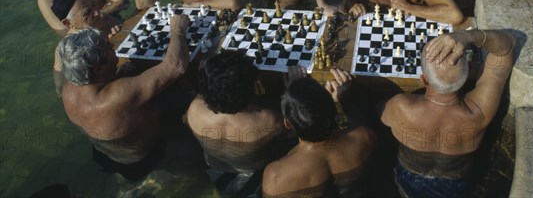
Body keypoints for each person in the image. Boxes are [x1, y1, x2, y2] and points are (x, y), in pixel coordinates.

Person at [381, 29, 516, 197]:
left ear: (423, 79)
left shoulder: (400, 106)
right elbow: (506, 48)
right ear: (468, 75)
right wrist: (467, 36)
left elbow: (382, 120)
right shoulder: (481, 112)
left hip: (409, 179)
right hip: (455, 186)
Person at [59, 14, 191, 181]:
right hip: (142, 158)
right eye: (108, 46)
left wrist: (119, 74)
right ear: (98, 69)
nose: (113, 45)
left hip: (105, 154)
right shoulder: (117, 95)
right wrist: (177, 30)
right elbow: (176, 66)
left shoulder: (68, 87)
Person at [186, 51, 289, 195]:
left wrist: (206, 77)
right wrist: (292, 90)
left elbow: (203, 97)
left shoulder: (194, 109)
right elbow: (295, 131)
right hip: (255, 175)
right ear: (250, 87)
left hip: (214, 171)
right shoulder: (267, 119)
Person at [262, 68, 376, 197]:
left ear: (287, 123)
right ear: (333, 112)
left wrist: (293, 92)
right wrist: (341, 101)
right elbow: (356, 119)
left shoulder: (276, 176)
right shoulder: (364, 137)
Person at [51, 0, 121, 95]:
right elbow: (61, 89)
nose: (97, 13)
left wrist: (120, 37)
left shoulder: (105, 20)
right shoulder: (66, 51)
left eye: (94, 6)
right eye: (87, 12)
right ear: (68, 23)